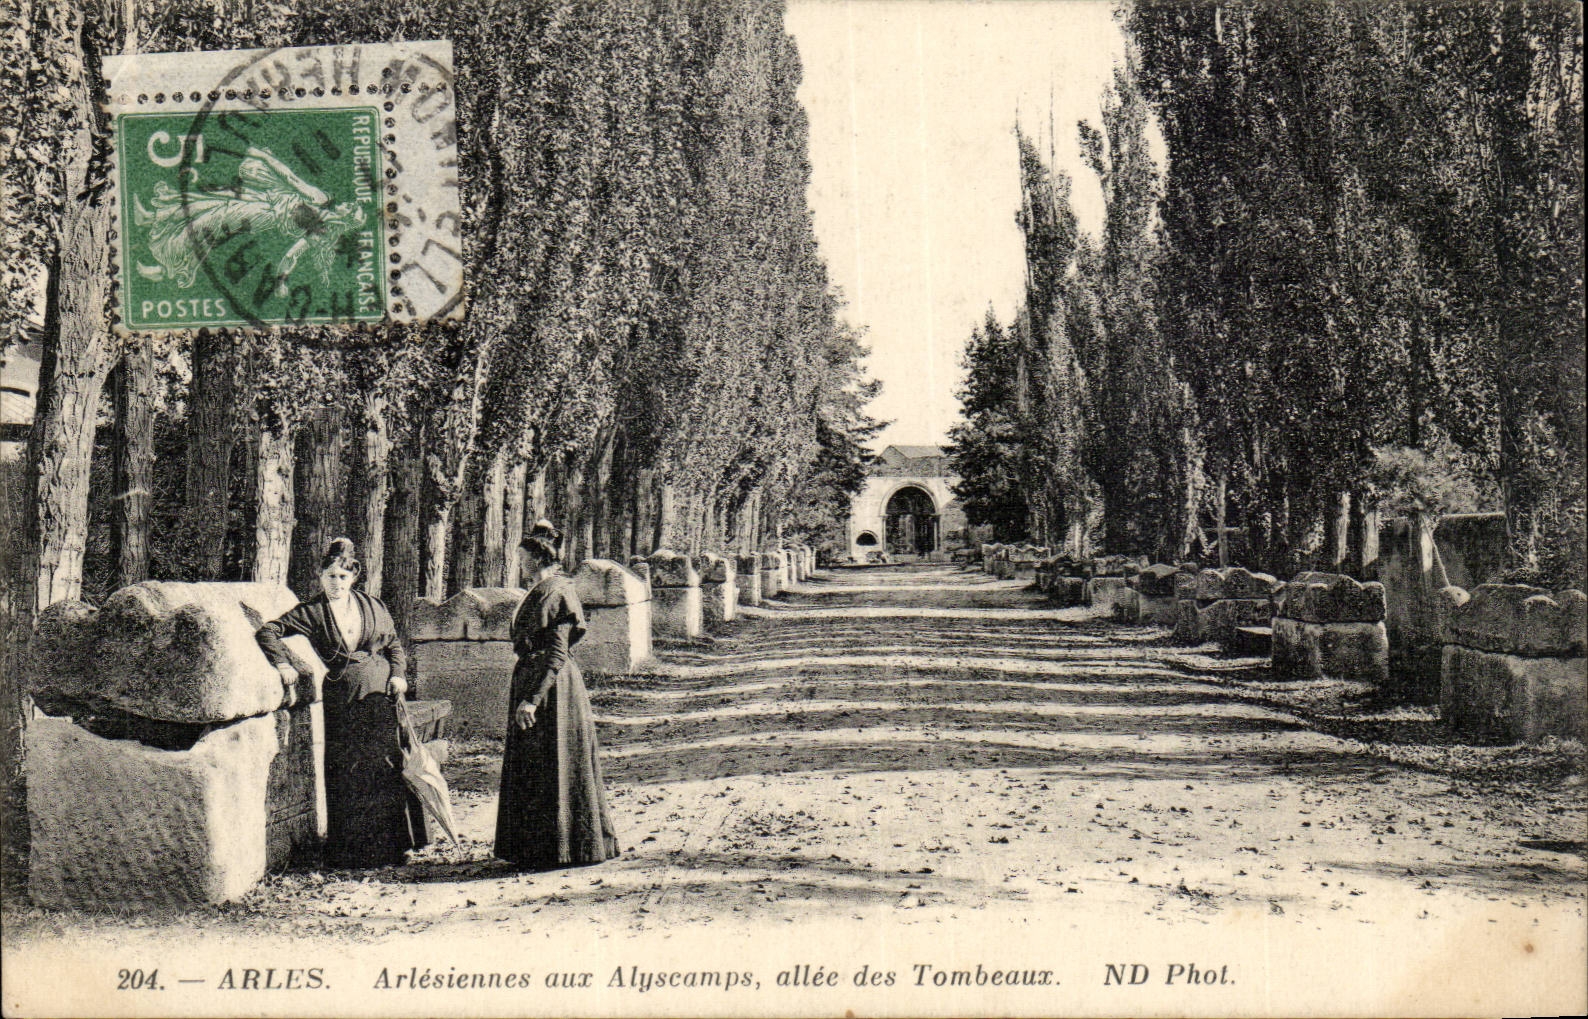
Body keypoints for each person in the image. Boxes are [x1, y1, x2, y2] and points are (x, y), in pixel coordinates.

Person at [255, 537, 426, 869]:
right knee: (347, 773)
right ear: (321, 576)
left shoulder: (373, 605)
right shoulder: (313, 611)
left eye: (343, 577)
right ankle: (352, 852)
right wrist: (283, 664)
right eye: (330, 576)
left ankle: (394, 846)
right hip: (342, 698)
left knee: (384, 767)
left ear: (354, 577)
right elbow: (268, 631)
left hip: (380, 696)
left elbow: (394, 646)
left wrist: (399, 675)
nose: (336, 583)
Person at [495, 522, 620, 869]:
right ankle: (536, 848)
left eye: (523, 559)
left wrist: (533, 698)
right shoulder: (540, 590)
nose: (520, 566)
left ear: (537, 559)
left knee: (557, 763)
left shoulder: (559, 593)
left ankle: (565, 848)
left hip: (554, 691)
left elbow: (557, 653)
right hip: (535, 681)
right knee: (536, 766)